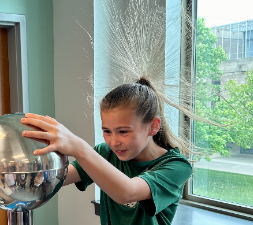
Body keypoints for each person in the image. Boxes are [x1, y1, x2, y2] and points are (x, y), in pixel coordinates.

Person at [20, 78, 192, 225]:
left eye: (123, 131)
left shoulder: (177, 167)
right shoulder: (105, 153)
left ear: (153, 126)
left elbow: (127, 192)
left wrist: (78, 147)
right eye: (107, 131)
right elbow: (52, 178)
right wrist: (18, 143)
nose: (114, 142)